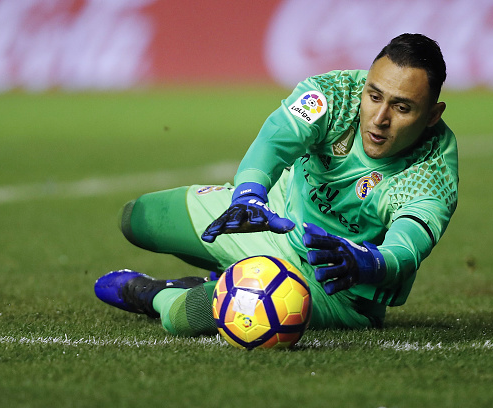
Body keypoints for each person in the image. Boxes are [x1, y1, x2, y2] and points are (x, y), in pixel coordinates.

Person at [94, 33, 458, 336]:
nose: (379, 118)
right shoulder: (334, 94)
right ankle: (230, 272)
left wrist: (367, 264)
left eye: (402, 108)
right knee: (137, 218)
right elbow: (274, 142)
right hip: (274, 220)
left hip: (335, 285)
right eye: (374, 96)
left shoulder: (433, 171)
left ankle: (156, 293)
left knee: (187, 316)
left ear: (432, 115)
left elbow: (405, 250)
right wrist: (250, 196)